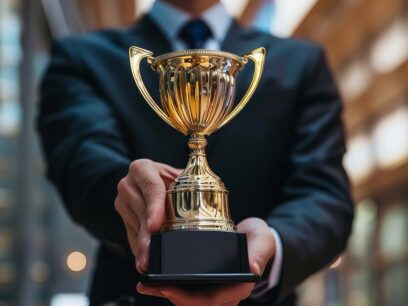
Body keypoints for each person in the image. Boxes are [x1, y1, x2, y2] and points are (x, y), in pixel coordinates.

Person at [37, 0, 354, 305]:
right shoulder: (82, 57)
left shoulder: (302, 63)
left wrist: (272, 245)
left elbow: (324, 193)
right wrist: (131, 194)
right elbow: (80, 158)